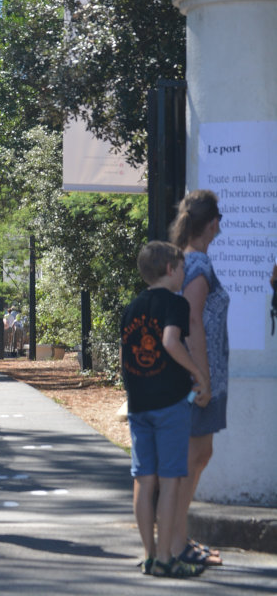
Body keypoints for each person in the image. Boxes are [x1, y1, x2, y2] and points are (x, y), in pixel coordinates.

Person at [121, 241, 207, 578]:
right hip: (170, 403)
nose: (184, 275)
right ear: (170, 270)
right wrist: (197, 372)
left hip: (139, 403)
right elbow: (171, 341)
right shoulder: (176, 303)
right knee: (171, 479)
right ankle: (168, 558)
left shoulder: (131, 308)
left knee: (144, 478)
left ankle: (149, 554)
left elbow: (124, 355)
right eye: (182, 269)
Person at [168, 189, 229, 568]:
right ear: (212, 224)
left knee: (199, 456)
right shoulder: (199, 265)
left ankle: (179, 538)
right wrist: (202, 378)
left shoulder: (189, 261)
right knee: (192, 459)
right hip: (198, 377)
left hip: (201, 375)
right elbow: (192, 323)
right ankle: (176, 544)